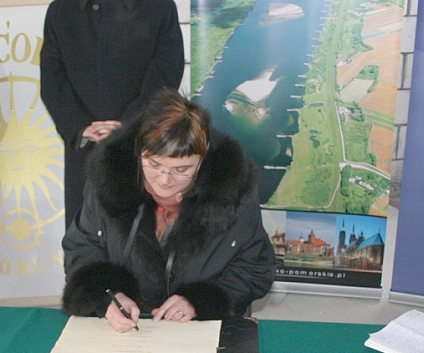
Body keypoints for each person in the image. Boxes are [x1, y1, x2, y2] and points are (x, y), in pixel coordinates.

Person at [62, 89, 276, 333]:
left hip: (200, 330)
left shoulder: (233, 192)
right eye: (154, 164)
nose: (164, 180)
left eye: (181, 170)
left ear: (203, 159)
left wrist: (198, 302)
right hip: (124, 329)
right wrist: (108, 297)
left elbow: (255, 270)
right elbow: (82, 247)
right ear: (138, 151)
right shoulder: (109, 181)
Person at [40, 0, 185, 228]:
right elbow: (52, 79)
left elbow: (165, 76)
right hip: (85, 147)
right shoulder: (61, 11)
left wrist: (127, 127)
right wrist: (81, 127)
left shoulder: (159, 8)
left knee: (141, 232)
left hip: (141, 146)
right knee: (85, 232)